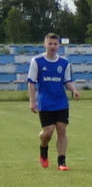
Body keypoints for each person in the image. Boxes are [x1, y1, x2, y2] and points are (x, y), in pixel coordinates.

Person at [28, 32, 82, 170]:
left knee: (61, 130)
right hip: (45, 101)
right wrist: (32, 101)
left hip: (61, 102)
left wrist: (73, 90)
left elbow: (66, 81)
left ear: (59, 45)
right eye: (50, 43)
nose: (52, 46)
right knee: (47, 133)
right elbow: (31, 82)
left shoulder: (64, 63)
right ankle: (43, 148)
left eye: (55, 44)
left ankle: (61, 162)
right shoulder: (37, 61)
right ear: (45, 44)